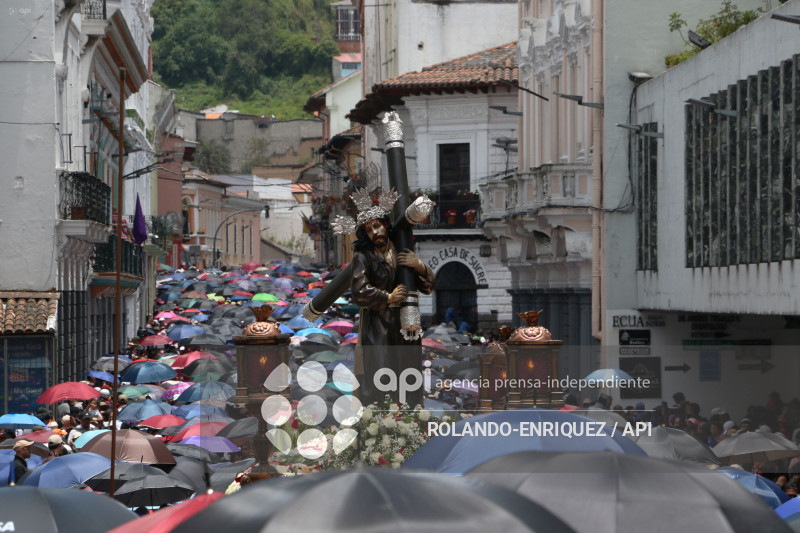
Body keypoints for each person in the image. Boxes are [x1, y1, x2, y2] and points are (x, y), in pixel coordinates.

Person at [343, 194, 435, 405]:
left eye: (377, 226)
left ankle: (409, 417)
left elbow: (428, 286)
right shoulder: (363, 257)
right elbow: (358, 290)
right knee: (380, 373)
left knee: (408, 371)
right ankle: (380, 417)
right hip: (377, 325)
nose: (375, 232)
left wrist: (418, 265)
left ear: (385, 225)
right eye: (369, 229)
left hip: (405, 322)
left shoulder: (402, 250)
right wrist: (388, 296)